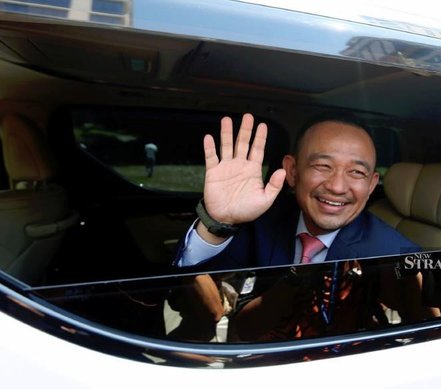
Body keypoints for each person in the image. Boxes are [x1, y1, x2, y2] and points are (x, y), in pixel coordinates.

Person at [172, 112, 426, 341]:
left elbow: (432, 329)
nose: (337, 187)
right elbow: (192, 278)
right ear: (292, 171)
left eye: (357, 173)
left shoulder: (391, 252)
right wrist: (219, 222)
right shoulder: (266, 220)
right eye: (322, 166)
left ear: (371, 185)